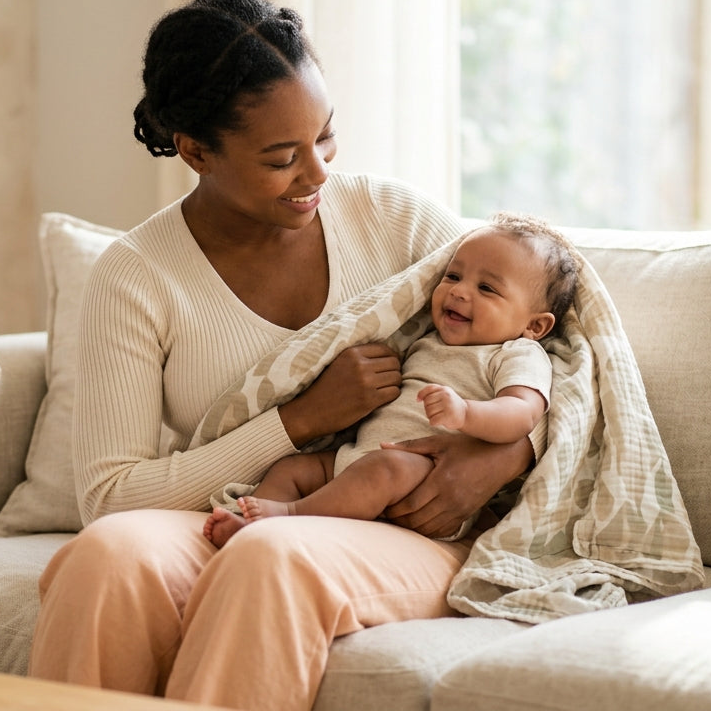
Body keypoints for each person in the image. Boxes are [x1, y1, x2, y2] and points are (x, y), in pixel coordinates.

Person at [28, 0, 537, 711]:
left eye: (325, 137)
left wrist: (502, 454)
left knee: (271, 557)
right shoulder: (138, 275)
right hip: (244, 509)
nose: (318, 173)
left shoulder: (391, 219)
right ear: (196, 150)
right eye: (281, 157)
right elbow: (110, 497)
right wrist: (296, 421)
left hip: (399, 522)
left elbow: (558, 336)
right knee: (106, 558)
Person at [203, 213, 579, 548]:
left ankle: (286, 516)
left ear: (534, 325)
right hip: (361, 458)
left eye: (487, 289)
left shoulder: (516, 353)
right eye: (453, 276)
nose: (459, 291)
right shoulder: (424, 338)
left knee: (384, 469)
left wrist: (466, 413)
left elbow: (522, 413)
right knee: (293, 469)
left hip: (426, 480)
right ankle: (248, 527)